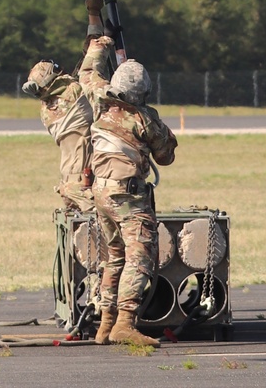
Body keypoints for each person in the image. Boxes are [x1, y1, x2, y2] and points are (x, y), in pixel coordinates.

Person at [79, 34, 178, 348]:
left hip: (101, 195)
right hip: (129, 199)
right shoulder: (144, 120)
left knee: (115, 257)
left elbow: (87, 75)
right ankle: (125, 323)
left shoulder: (98, 102)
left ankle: (105, 325)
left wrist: (99, 46)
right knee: (139, 258)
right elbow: (166, 155)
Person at [21, 0, 111, 216]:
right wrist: (102, 27)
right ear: (54, 79)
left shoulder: (51, 107)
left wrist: (93, 14)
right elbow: (90, 61)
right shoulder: (74, 95)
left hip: (69, 183)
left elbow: (83, 66)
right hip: (85, 183)